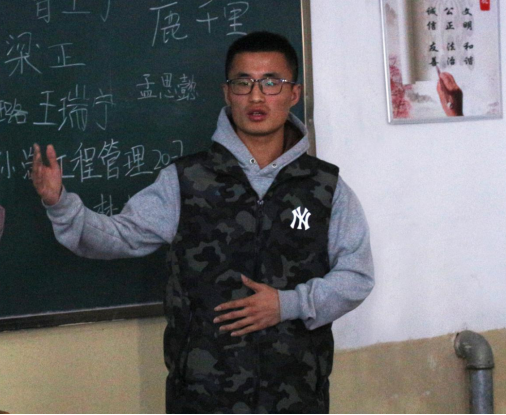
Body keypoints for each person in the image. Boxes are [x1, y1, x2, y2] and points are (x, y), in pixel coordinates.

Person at [32, 31, 374, 414]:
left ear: (293, 93)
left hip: (297, 395)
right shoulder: (186, 180)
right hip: (202, 397)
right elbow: (120, 237)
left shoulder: (325, 187)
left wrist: (288, 304)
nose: (256, 96)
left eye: (271, 83)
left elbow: (357, 276)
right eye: (243, 83)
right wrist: (61, 204)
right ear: (227, 92)